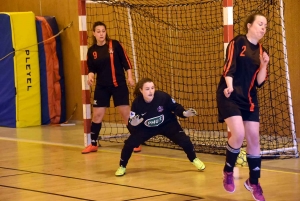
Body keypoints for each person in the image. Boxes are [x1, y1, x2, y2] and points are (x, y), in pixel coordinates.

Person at [216, 13, 269, 201]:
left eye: (265, 25)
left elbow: (260, 82)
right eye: (260, 24)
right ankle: (228, 171)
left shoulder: (262, 49)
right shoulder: (238, 42)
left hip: (249, 98)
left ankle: (253, 182)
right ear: (249, 25)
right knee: (238, 134)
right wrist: (229, 86)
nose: (263, 28)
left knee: (254, 137)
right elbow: (228, 67)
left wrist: (263, 65)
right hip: (229, 94)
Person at [115, 78, 206, 176]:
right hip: (146, 128)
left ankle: (194, 159)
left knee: (185, 141)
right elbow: (132, 122)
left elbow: (175, 107)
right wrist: (133, 123)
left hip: (167, 124)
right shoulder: (137, 103)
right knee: (129, 144)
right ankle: (122, 166)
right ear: (141, 90)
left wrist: (184, 113)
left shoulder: (163, 97)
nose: (150, 91)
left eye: (152, 88)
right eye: (147, 89)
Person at [81, 21, 141, 154]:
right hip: (102, 87)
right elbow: (92, 69)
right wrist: (90, 77)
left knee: (125, 114)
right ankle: (93, 143)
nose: (101, 33)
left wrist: (130, 77)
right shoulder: (92, 51)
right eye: (98, 31)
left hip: (118, 85)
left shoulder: (115, 45)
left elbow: (126, 62)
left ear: (106, 32)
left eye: (103, 31)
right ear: (94, 33)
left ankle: (136, 142)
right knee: (97, 115)